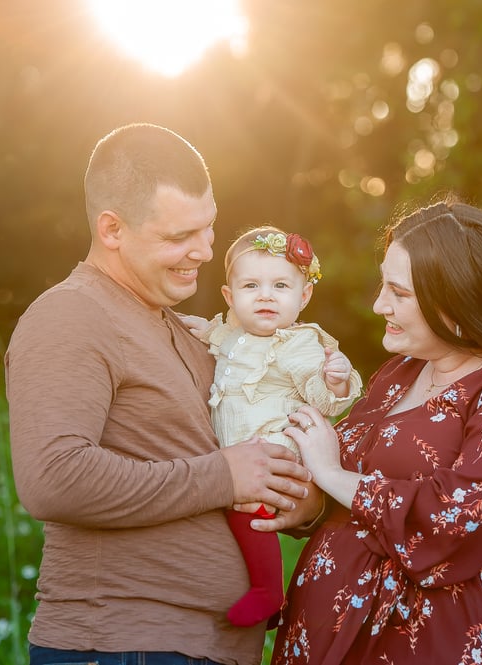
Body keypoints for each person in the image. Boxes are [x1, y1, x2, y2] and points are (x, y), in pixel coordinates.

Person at [5, 123, 317, 665]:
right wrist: (225, 475)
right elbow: (52, 478)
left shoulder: (186, 329)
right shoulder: (71, 315)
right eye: (178, 237)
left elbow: (231, 460)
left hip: (206, 648)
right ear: (112, 229)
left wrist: (298, 499)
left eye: (208, 227)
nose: (203, 251)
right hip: (123, 643)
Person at [259, 197, 482, 664]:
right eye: (383, 286)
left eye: (399, 292)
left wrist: (331, 474)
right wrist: (309, 505)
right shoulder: (400, 373)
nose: (379, 305)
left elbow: (455, 520)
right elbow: (354, 499)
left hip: (418, 640)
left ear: (458, 298)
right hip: (321, 636)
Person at [181, 226, 363, 628]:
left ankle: (269, 591)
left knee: (250, 508)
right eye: (251, 285)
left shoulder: (298, 344)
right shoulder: (232, 334)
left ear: (304, 295)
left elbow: (321, 396)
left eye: (280, 285)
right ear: (230, 297)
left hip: (273, 448)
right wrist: (194, 327)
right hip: (239, 449)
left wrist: (335, 380)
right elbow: (216, 335)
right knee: (231, 508)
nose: (265, 295)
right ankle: (244, 582)